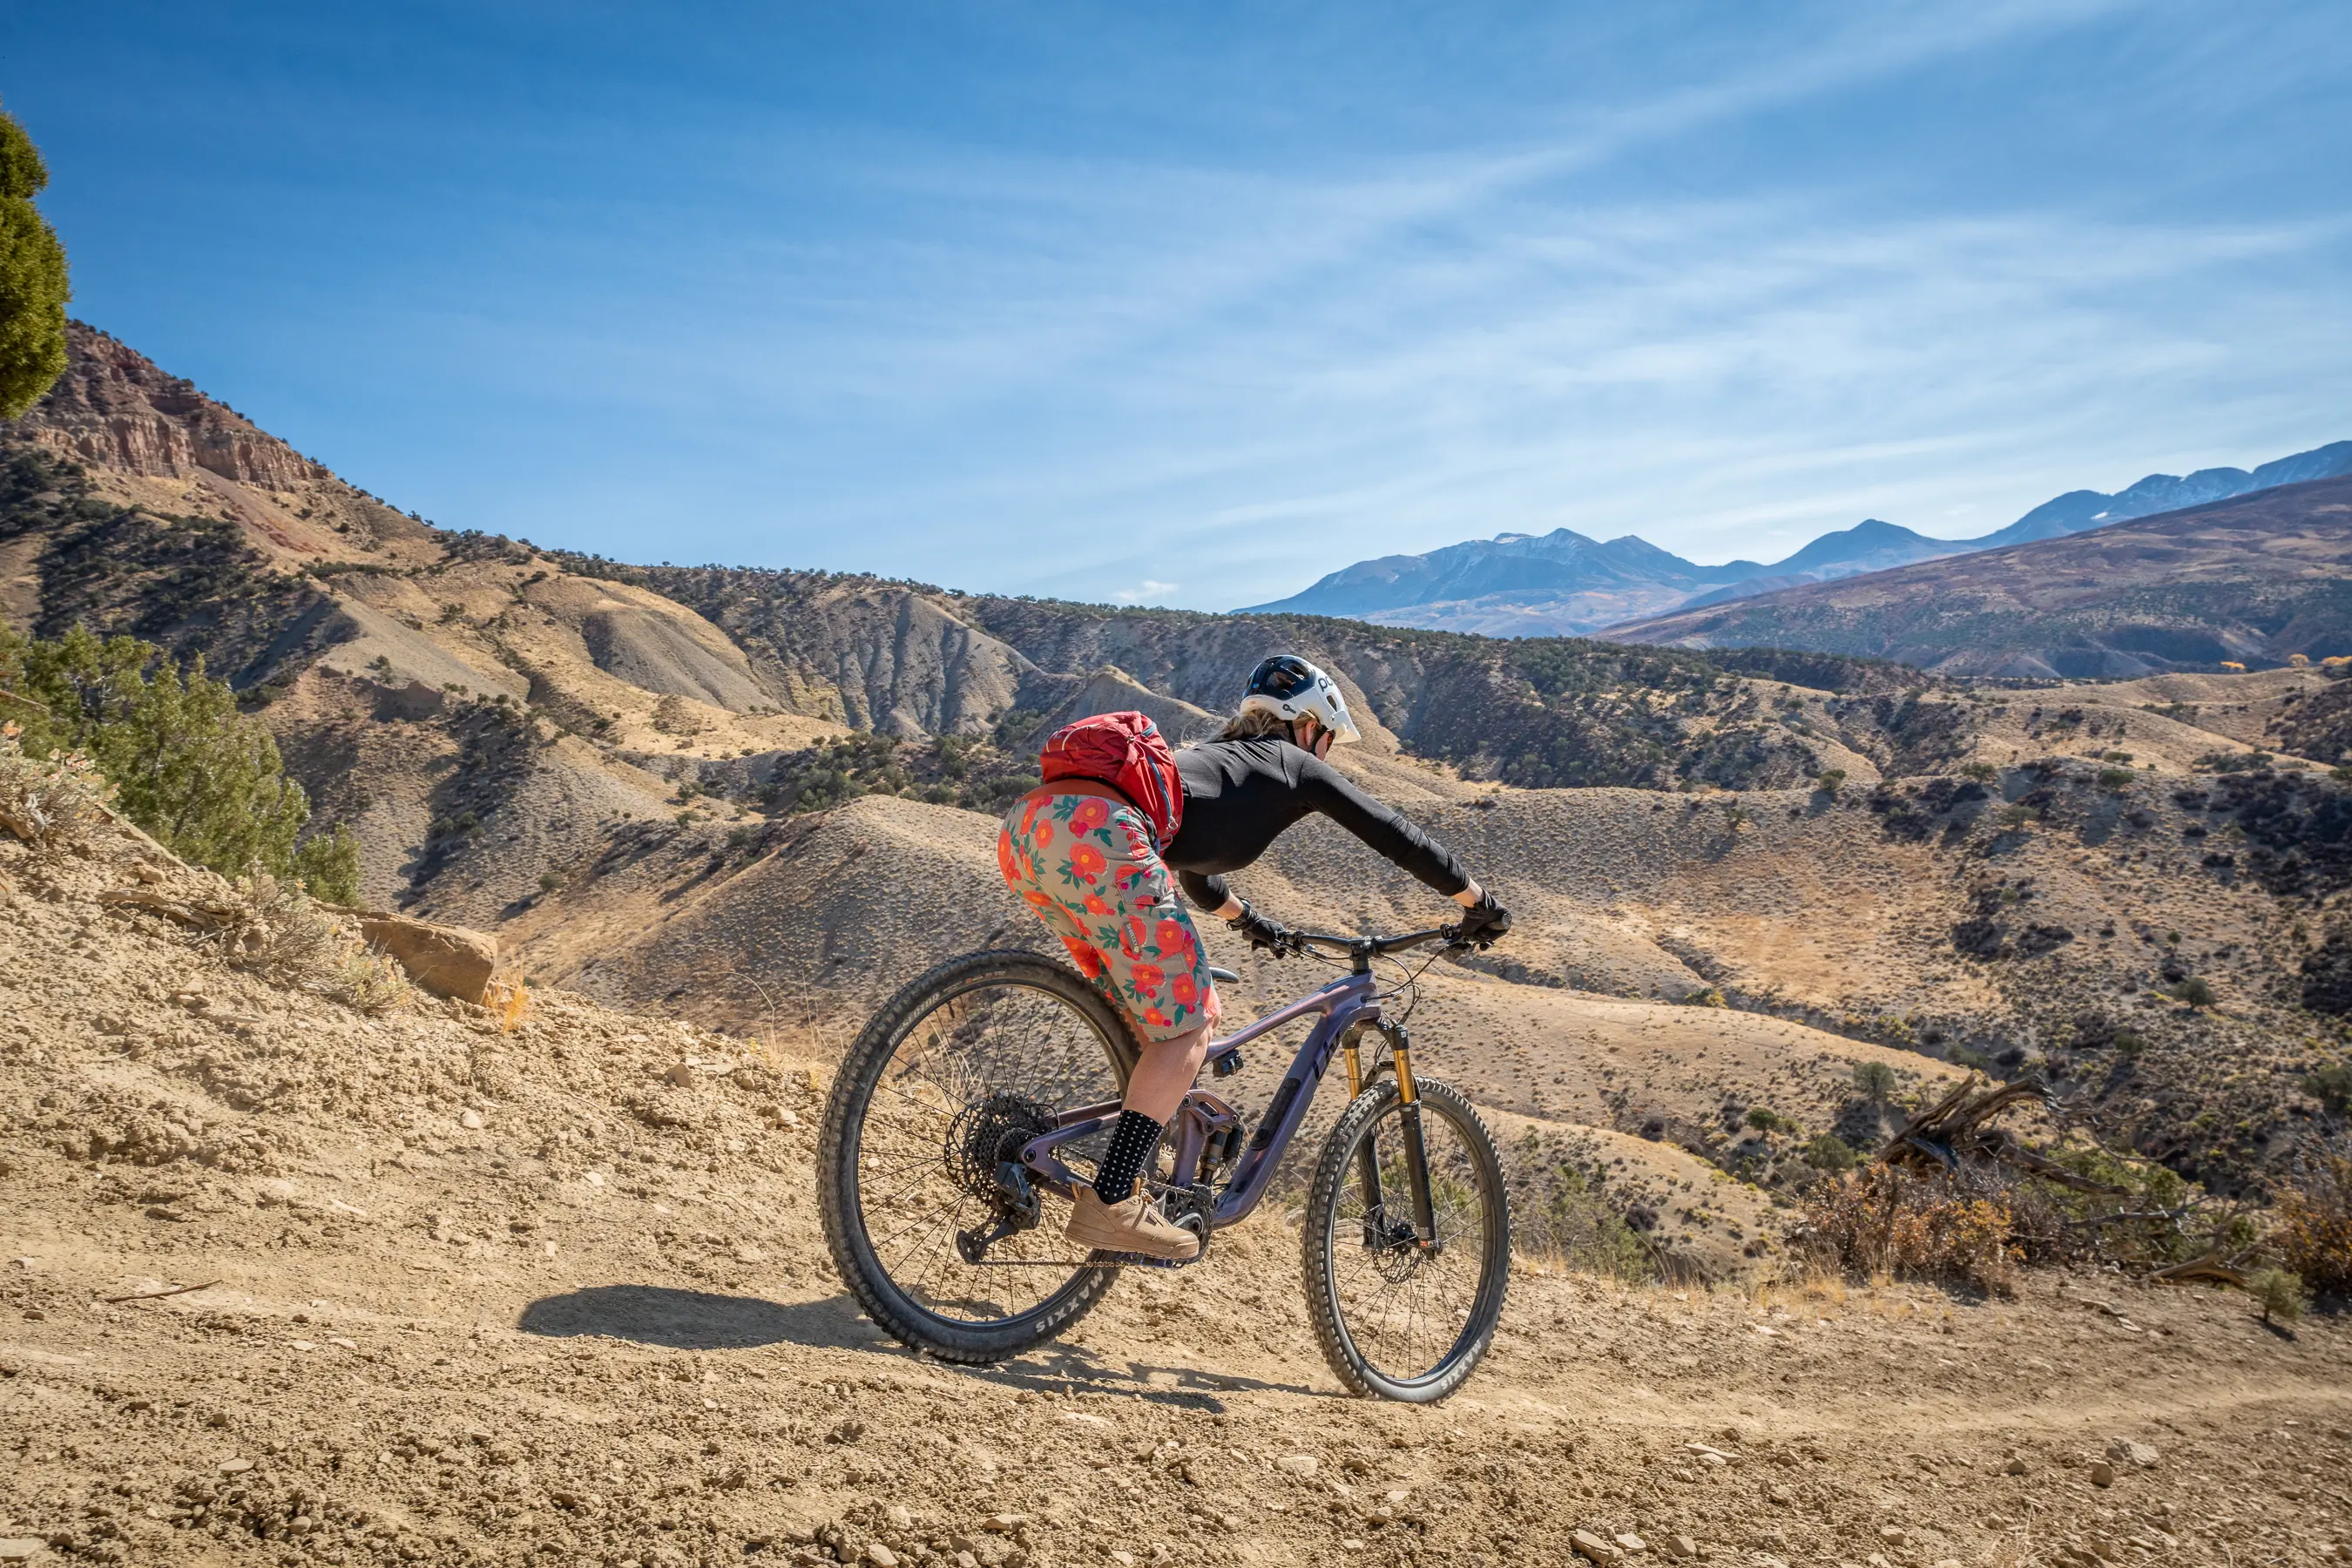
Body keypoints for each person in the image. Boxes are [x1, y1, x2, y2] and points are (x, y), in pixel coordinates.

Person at [996, 654, 1511, 1260]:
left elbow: (1196, 869)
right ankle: (1111, 1202)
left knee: (1149, 1021)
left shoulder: (1212, 764)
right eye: (1328, 741)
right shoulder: (1294, 765)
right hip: (1104, 832)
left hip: (1032, 831)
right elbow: (1392, 832)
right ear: (1311, 727)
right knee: (1192, 1024)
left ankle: (1067, 1152)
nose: (1326, 755)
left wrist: (1253, 923)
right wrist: (1476, 902)